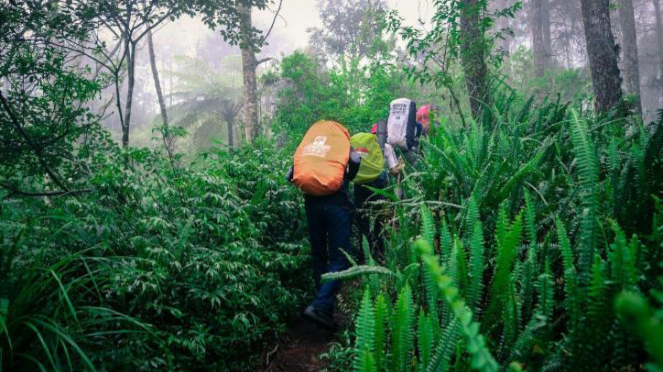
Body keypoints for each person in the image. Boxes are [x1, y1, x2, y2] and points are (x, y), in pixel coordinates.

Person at [286, 147, 361, 330]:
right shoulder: (341, 145)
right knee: (341, 257)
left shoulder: (311, 150)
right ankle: (319, 306)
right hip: (336, 205)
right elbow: (356, 161)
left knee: (319, 256)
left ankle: (324, 311)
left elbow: (290, 175)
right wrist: (347, 177)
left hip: (312, 205)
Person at [354, 125, 402, 262]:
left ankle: (364, 255)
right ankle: (380, 253)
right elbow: (393, 170)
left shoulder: (361, 147)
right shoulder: (386, 147)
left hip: (360, 186)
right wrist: (400, 167)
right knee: (379, 220)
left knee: (363, 220)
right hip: (379, 187)